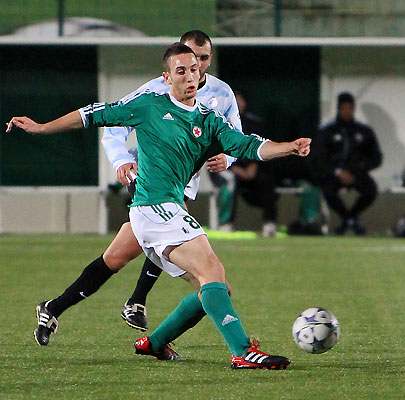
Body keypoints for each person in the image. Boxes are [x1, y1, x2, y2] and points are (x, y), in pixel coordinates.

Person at [7, 42, 311, 369]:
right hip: (154, 208)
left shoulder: (210, 119)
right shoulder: (149, 105)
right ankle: (241, 352)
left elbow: (248, 145)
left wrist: (288, 148)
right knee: (212, 272)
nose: (189, 77)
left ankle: (153, 343)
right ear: (167, 77)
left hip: (164, 211)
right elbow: (93, 114)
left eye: (194, 69)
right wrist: (41, 127)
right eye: (181, 71)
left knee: (216, 288)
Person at [102, 30, 240, 331]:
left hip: (185, 179)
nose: (196, 67)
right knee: (161, 240)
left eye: (203, 60)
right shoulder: (155, 90)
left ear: (210, 58)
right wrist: (121, 160)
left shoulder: (221, 93)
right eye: (190, 59)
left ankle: (62, 306)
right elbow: (112, 125)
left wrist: (228, 159)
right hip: (150, 175)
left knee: (123, 253)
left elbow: (236, 136)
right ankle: (138, 301)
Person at [312, 92, 382, 235]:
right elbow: (319, 158)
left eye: (350, 108)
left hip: (357, 173)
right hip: (335, 174)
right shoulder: (327, 132)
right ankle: (348, 218)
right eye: (344, 108)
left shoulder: (364, 131)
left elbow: (376, 157)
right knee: (327, 190)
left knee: (371, 190)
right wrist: (337, 171)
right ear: (338, 109)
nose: (347, 112)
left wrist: (359, 169)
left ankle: (349, 217)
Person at [228, 90, 279, 237]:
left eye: (240, 100)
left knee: (267, 181)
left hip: (253, 168)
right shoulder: (221, 122)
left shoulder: (255, 123)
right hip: (231, 169)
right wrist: (235, 169)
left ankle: (269, 224)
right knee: (230, 182)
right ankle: (226, 223)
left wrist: (253, 166)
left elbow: (262, 147)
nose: (238, 103)